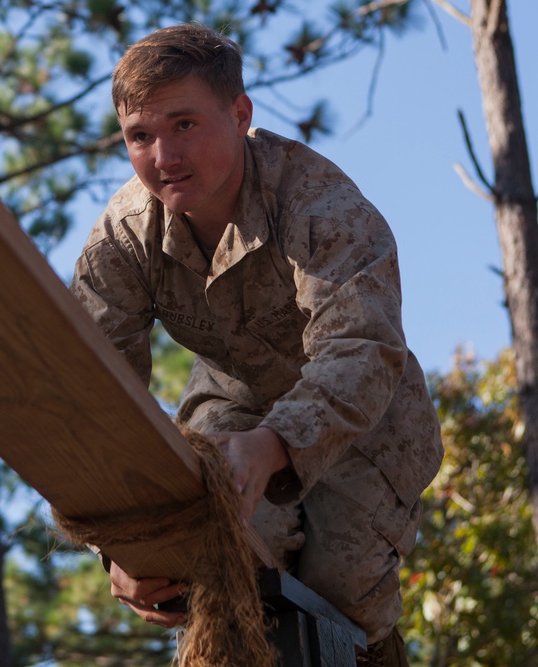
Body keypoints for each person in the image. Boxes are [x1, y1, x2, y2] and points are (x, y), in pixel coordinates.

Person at [69, 23, 443, 666]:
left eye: (184, 124)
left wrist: (273, 447)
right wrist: (123, 550)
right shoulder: (120, 242)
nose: (163, 157)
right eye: (140, 136)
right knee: (202, 561)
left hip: (367, 415)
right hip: (233, 400)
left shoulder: (319, 204)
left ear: (240, 114)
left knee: (340, 594)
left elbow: (361, 349)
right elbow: (88, 404)